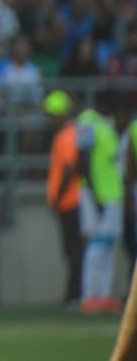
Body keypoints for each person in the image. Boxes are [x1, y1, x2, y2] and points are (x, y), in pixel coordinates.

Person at [78, 91, 126, 314]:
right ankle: (90, 295)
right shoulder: (89, 122)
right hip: (95, 194)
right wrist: (94, 193)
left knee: (108, 244)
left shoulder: (106, 125)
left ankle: (104, 295)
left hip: (111, 193)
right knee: (96, 245)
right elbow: (83, 159)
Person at [44, 89, 82, 309]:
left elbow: (69, 168)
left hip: (70, 202)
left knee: (73, 249)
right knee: (73, 249)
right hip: (70, 201)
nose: (49, 119)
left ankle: (75, 294)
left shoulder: (65, 135)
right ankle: (74, 293)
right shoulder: (69, 133)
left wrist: (57, 198)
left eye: (51, 114)